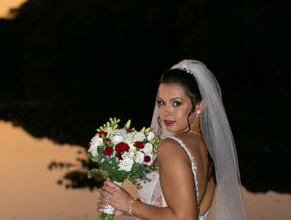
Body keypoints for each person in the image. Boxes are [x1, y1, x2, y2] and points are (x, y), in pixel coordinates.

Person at [97, 59, 247, 220]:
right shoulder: (207, 148)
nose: (166, 112)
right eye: (161, 103)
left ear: (199, 106)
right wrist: (124, 208)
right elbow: (181, 206)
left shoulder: (172, 147)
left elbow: (184, 217)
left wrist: (130, 204)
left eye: (176, 103)